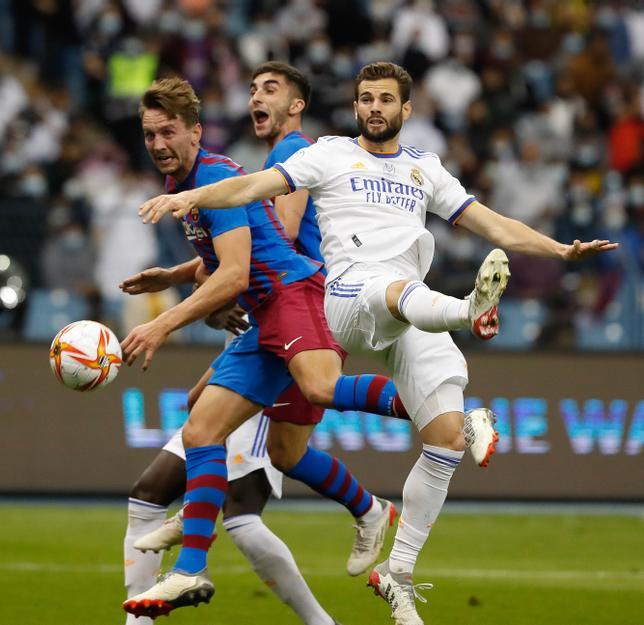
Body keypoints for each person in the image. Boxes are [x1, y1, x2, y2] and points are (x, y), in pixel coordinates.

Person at [138, 62, 618, 625]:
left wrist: (560, 250)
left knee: (442, 441)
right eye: (365, 98)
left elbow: (492, 223)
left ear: (405, 110)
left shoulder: (424, 168)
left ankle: (400, 571)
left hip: (400, 306)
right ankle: (468, 313)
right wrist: (193, 200)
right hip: (344, 294)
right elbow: (253, 190)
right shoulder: (330, 153)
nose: (374, 107)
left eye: (385, 99)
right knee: (238, 412)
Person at [120, 72, 399, 625]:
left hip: (296, 298)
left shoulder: (222, 175)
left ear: (195, 132)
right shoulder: (194, 187)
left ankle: (441, 413)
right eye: (149, 134)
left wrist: (161, 325)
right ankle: (191, 563)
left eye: (167, 132)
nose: (157, 144)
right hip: (269, 313)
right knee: (202, 424)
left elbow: (238, 271)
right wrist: (173, 276)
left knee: (312, 394)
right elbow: (239, 249)